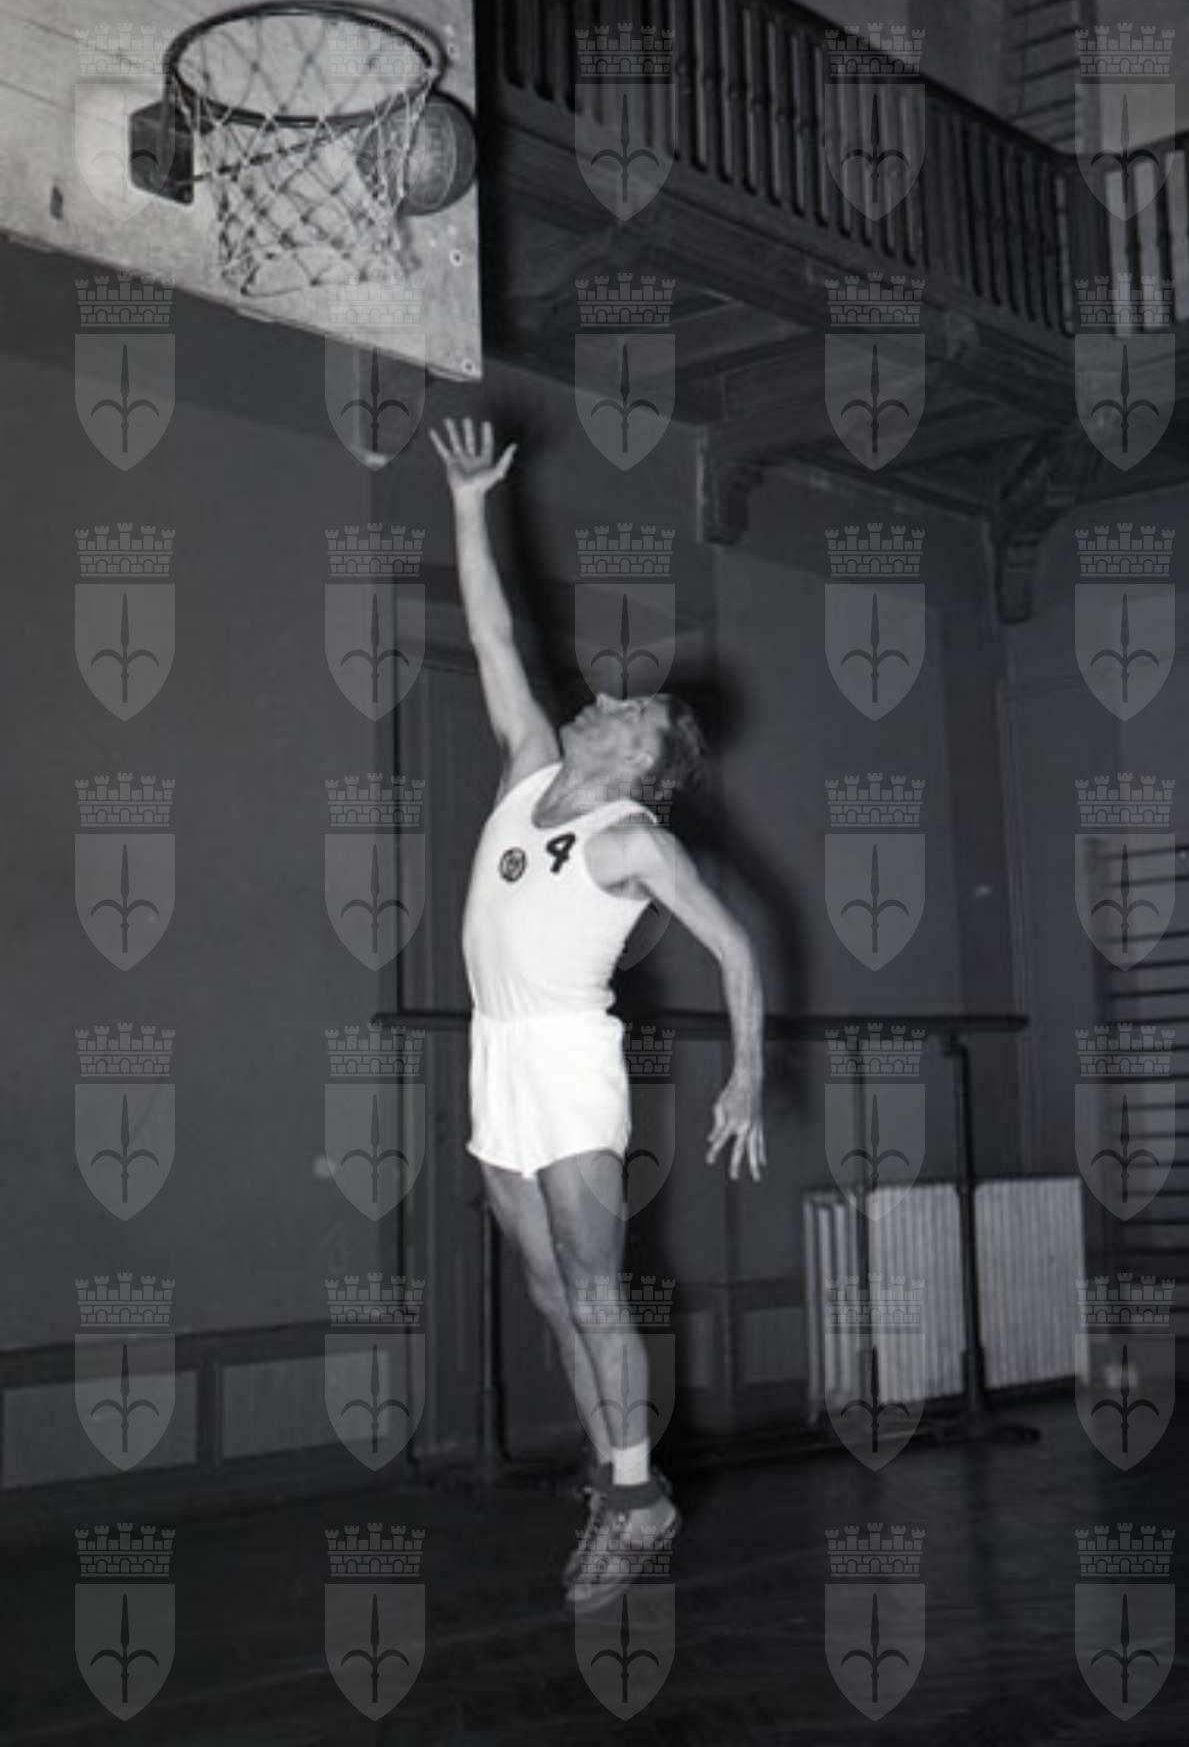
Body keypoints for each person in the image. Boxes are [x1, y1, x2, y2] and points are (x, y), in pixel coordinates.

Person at [429, 415, 767, 1613]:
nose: (608, 699)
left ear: (639, 766)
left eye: (630, 713)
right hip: (496, 1057)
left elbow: (733, 944)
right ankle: (613, 1476)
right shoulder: (528, 761)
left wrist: (744, 1078)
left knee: (591, 1287)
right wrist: (468, 502)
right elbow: (490, 633)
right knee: (545, 1292)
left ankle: (637, 1499)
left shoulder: (633, 838)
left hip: (571, 1064)